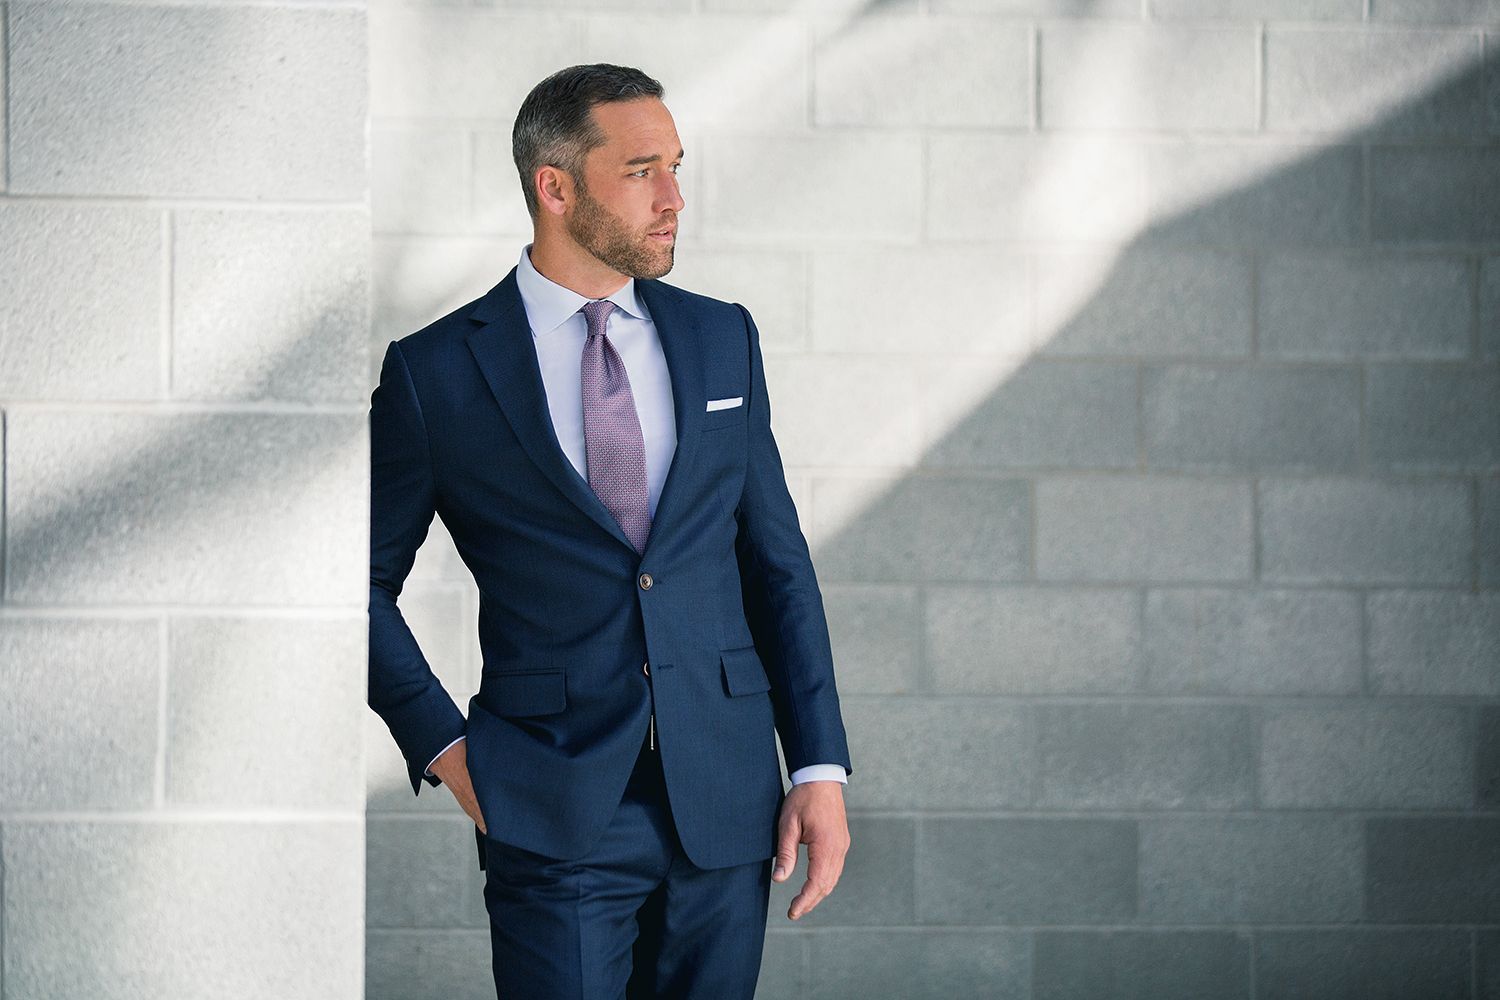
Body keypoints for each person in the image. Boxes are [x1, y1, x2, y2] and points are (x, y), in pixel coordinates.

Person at [367, 62, 854, 999]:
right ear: (555, 187)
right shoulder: (437, 373)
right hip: (549, 806)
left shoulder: (723, 339)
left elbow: (777, 566)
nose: (674, 198)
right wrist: (447, 751)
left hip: (725, 799)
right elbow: (356, 583)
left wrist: (820, 764)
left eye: (676, 166)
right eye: (641, 171)